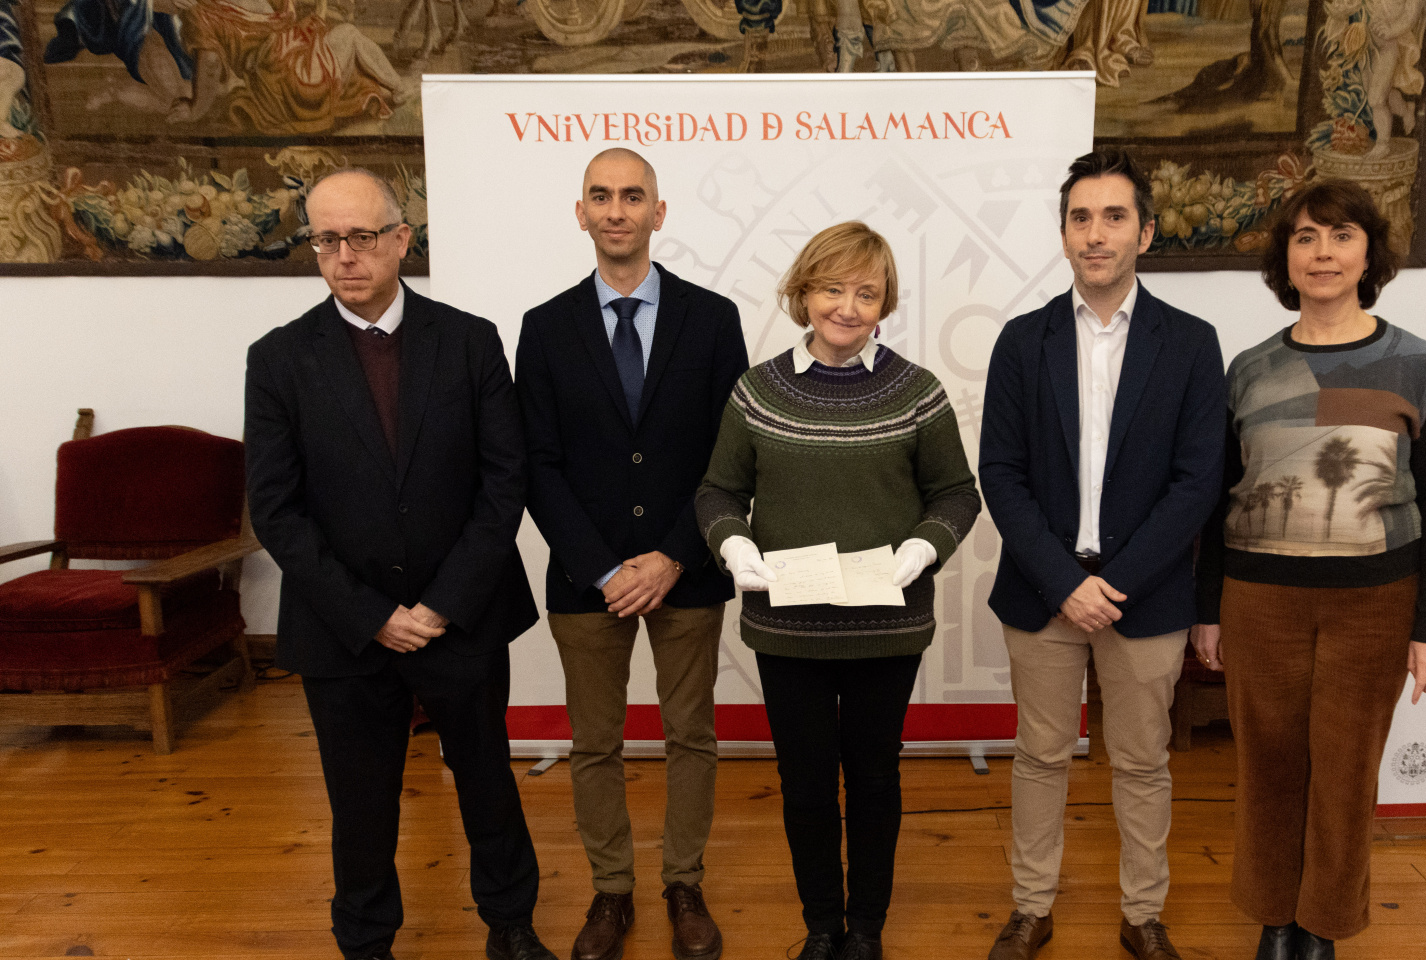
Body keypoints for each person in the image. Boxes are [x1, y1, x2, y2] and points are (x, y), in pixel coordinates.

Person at [244, 168, 555, 960]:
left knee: (487, 782)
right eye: (325, 239)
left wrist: (441, 605)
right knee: (360, 802)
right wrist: (372, 615)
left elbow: (503, 480)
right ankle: (368, 942)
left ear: (401, 240)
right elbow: (277, 509)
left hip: (462, 616)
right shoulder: (279, 359)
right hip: (345, 631)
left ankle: (511, 927)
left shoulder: (470, 339)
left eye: (361, 237)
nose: (344, 255)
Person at [696, 221, 982, 960]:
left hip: (886, 624)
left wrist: (923, 549)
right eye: (832, 288)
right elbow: (719, 488)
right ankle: (821, 924)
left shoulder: (917, 391)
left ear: (885, 300)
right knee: (806, 783)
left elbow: (956, 493)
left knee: (875, 778)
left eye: (866, 292)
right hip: (787, 626)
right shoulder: (757, 391)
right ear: (803, 292)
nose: (848, 307)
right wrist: (733, 544)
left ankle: (867, 929)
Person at [1192, 178, 1426, 960]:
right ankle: (1275, 916)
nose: (1323, 253)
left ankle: (1323, 925)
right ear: (1286, 258)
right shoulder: (1248, 369)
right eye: (1305, 237)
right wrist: (1208, 608)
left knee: (1344, 773)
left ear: (1368, 251)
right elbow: (1216, 500)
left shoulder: (1415, 362)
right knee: (1269, 767)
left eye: (1341, 235)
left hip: (1376, 603)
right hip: (1259, 600)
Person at [978, 148, 1226, 960]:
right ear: (1063, 234)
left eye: (1115, 216)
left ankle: (1142, 913)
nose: (1097, 233)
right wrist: (1064, 582)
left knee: (1142, 761)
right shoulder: (1022, 341)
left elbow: (1197, 482)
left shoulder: (1191, 343)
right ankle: (1030, 906)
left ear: (1145, 233)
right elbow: (1001, 475)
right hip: (1043, 591)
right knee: (1040, 754)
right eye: (1081, 217)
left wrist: (1112, 582)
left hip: (1144, 594)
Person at [515, 147, 747, 960]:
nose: (617, 210)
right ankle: (611, 894)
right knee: (595, 743)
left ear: (659, 212)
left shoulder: (713, 319)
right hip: (588, 581)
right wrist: (604, 566)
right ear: (580, 213)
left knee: (691, 733)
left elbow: (732, 454)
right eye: (600, 196)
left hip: (689, 570)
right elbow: (535, 462)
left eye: (633, 196)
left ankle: (683, 882)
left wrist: (674, 556)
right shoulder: (543, 329)